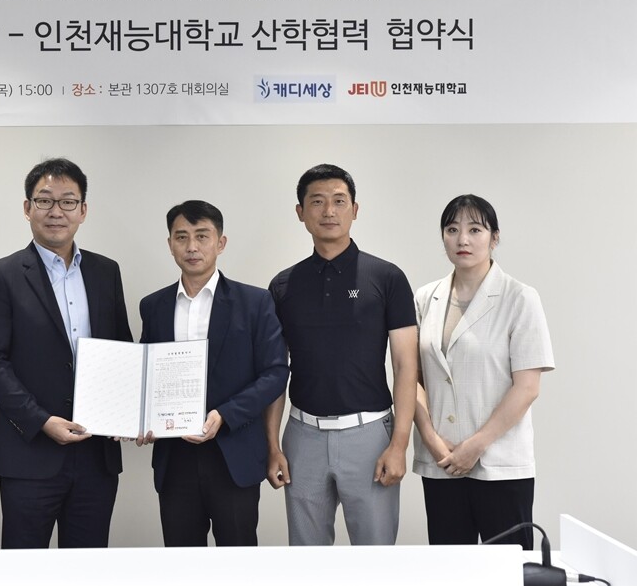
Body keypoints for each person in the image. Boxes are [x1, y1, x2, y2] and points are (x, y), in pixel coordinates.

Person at [0, 157, 132, 548]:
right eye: (44, 201)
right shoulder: (3, 274)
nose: (56, 211)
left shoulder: (106, 271)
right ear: (27, 208)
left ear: (83, 210)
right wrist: (42, 421)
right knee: (25, 568)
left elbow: (122, 350)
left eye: (67, 201)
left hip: (96, 453)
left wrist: (128, 413)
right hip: (31, 453)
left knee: (88, 566)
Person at [265, 163, 418, 546]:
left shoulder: (387, 278)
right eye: (317, 202)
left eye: (339, 201)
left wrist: (399, 444)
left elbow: (405, 365)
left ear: (355, 209)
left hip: (371, 436)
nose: (329, 211)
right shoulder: (283, 285)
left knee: (375, 558)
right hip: (302, 437)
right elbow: (275, 371)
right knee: (308, 560)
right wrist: (273, 445)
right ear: (300, 212)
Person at [137, 200, 288, 546]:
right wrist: (141, 417)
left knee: (237, 563)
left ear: (220, 243)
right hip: (174, 459)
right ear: (170, 244)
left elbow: (275, 373)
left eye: (202, 236)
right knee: (182, 561)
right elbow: (147, 372)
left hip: (234, 455)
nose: (192, 247)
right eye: (182, 237)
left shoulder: (254, 302)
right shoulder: (154, 306)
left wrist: (225, 415)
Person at [413, 194, 554, 549]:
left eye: (475, 229)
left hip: (500, 463)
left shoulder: (520, 298)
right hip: (441, 461)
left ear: (494, 238)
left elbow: (527, 387)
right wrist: (431, 439)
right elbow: (412, 379)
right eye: (452, 229)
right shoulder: (425, 298)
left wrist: (475, 446)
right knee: (449, 568)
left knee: (506, 568)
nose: (463, 239)